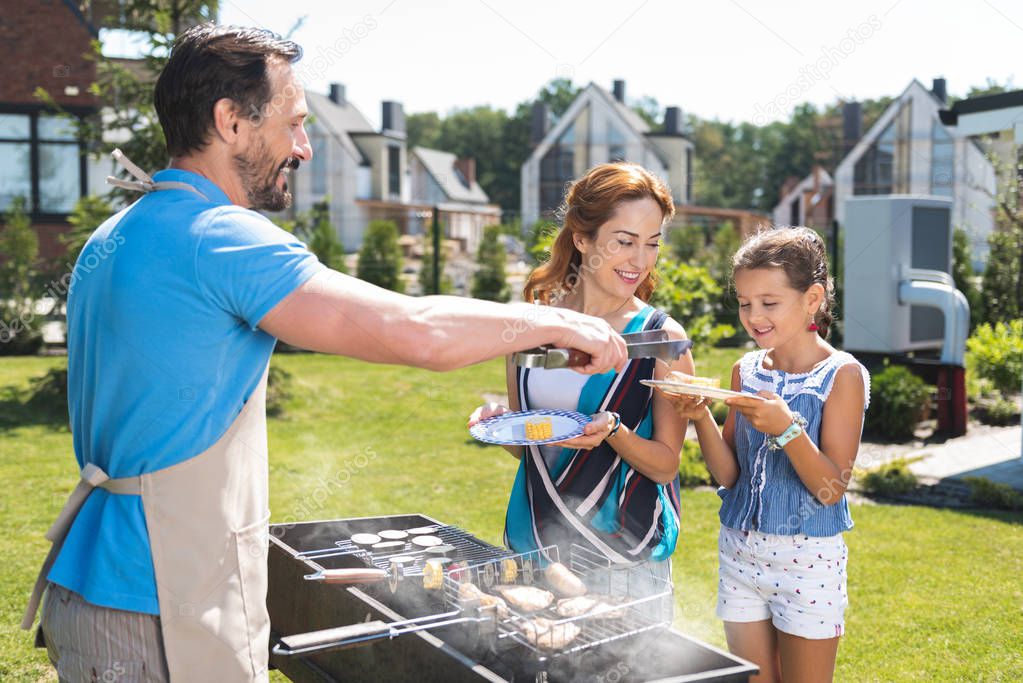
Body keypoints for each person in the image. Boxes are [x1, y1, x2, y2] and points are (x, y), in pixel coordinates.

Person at [22, 24, 628, 683]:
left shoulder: (116, 234)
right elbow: (410, 328)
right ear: (230, 121)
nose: (304, 147)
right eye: (294, 123)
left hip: (94, 586)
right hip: (159, 596)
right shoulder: (219, 236)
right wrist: (558, 324)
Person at [467, 162, 695, 614]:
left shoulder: (660, 340)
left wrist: (613, 430)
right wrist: (502, 427)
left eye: (651, 244)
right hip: (535, 554)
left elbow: (667, 466)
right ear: (582, 238)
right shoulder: (531, 329)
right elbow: (535, 442)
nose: (640, 261)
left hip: (623, 566)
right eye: (624, 242)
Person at [662, 227, 869, 683]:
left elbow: (831, 489)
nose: (753, 316)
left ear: (812, 299)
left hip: (807, 563)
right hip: (740, 554)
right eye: (744, 302)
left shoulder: (842, 375)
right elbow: (729, 476)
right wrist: (699, 416)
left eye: (768, 303)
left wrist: (788, 429)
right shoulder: (746, 370)